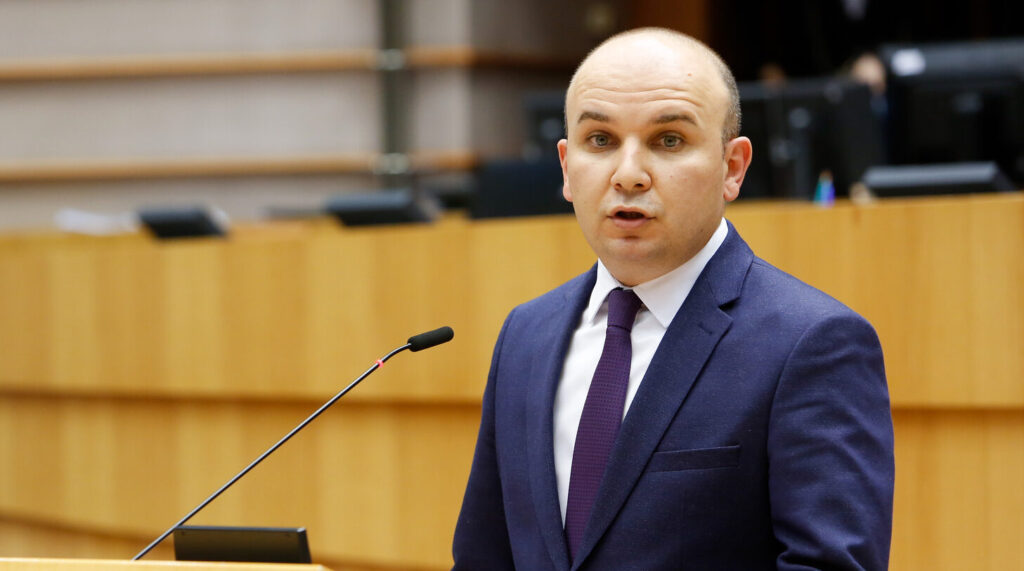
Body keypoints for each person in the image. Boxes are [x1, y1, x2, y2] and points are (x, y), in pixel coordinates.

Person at [452, 27, 894, 570]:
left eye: (668, 141)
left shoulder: (812, 344)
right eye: (600, 141)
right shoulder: (526, 334)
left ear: (733, 167)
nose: (628, 175)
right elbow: (483, 557)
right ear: (566, 168)